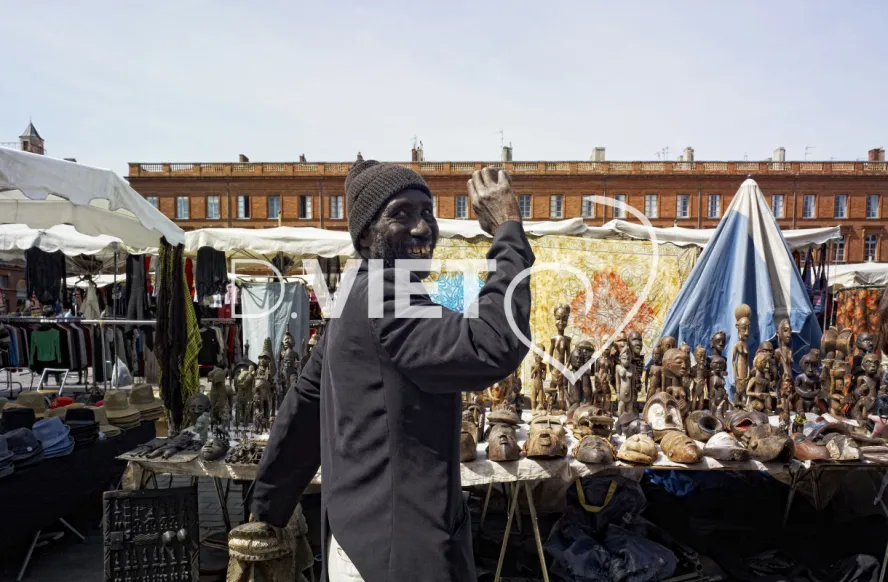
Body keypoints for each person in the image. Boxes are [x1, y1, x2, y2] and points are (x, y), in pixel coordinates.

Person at [250, 157, 534, 581]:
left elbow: (306, 404)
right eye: (400, 214)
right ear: (365, 237)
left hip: (359, 542)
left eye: (426, 212)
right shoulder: (388, 293)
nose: (422, 227)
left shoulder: (354, 290)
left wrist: (267, 506)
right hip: (396, 553)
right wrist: (508, 231)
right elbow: (492, 343)